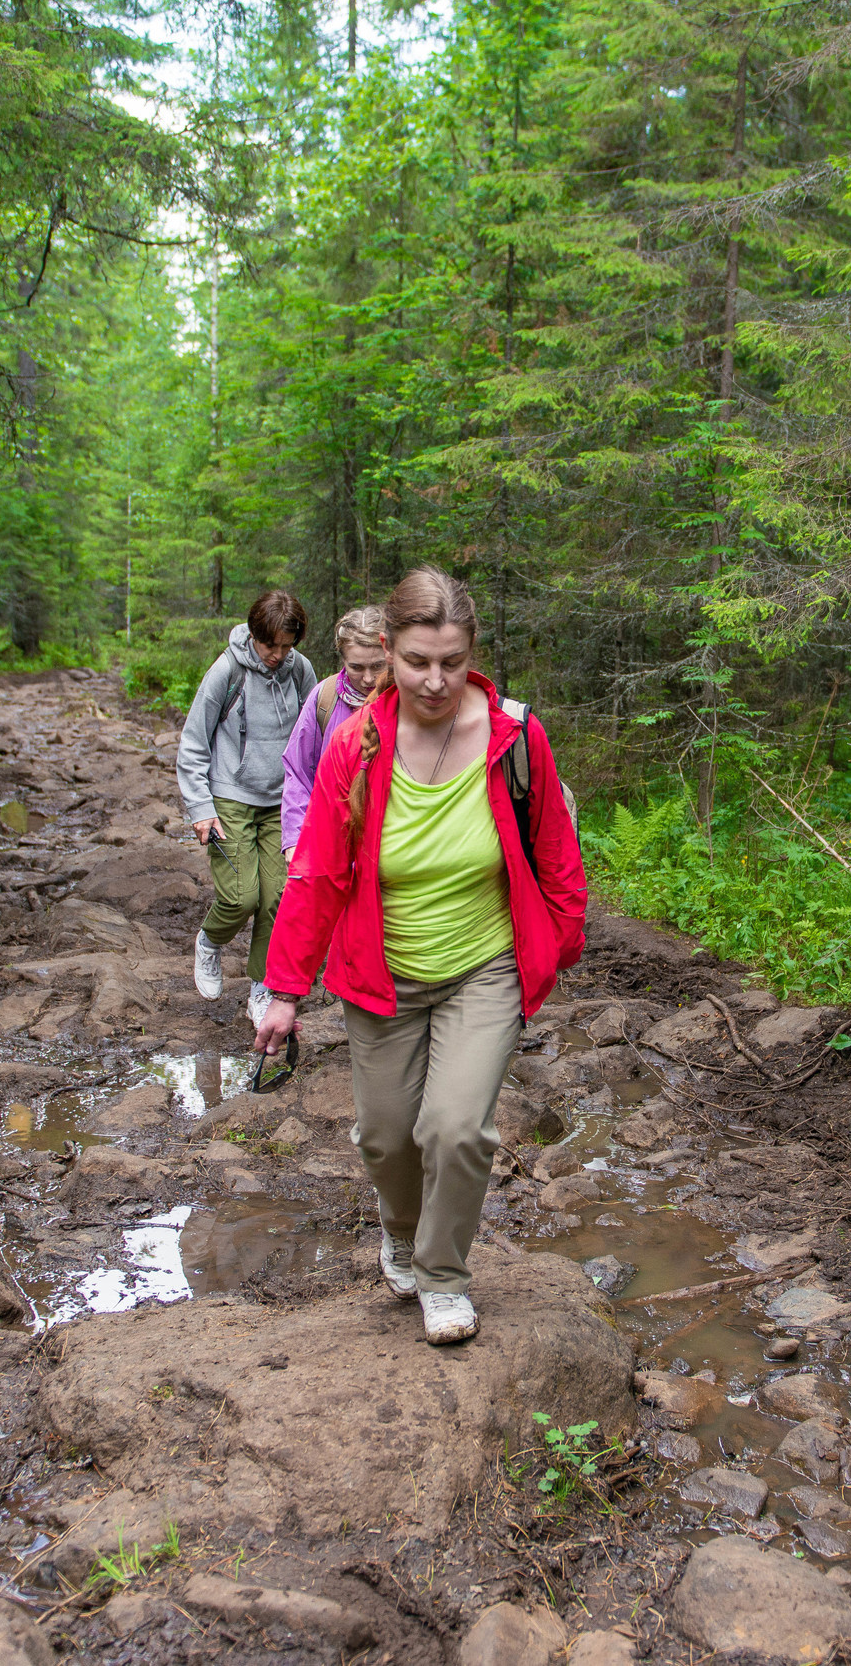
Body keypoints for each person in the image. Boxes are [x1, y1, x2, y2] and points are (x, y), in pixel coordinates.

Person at [256, 569, 586, 1344]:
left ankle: (443, 1275)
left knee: (455, 1128)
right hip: (383, 973)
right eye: (416, 661)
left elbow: (556, 859)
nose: (435, 680)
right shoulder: (354, 745)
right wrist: (283, 989)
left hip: (484, 966)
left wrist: (555, 949)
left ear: (472, 649)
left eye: (451, 659)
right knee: (385, 1134)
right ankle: (400, 1231)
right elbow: (317, 875)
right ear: (384, 652)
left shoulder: (515, 736)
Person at [176, 590, 318, 1024]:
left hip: (282, 802)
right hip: (230, 797)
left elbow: (316, 731)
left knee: (278, 898)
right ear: (254, 634)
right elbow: (194, 742)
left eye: (287, 645)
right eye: (270, 644)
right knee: (241, 898)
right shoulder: (227, 670)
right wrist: (201, 808)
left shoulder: (300, 670)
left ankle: (262, 986)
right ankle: (209, 942)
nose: (277, 655)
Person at [278, 605, 387, 857]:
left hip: (388, 847)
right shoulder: (325, 698)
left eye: (378, 666)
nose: (368, 679)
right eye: (356, 667)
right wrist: (295, 840)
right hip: (330, 843)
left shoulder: (409, 702)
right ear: (342, 659)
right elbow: (298, 770)